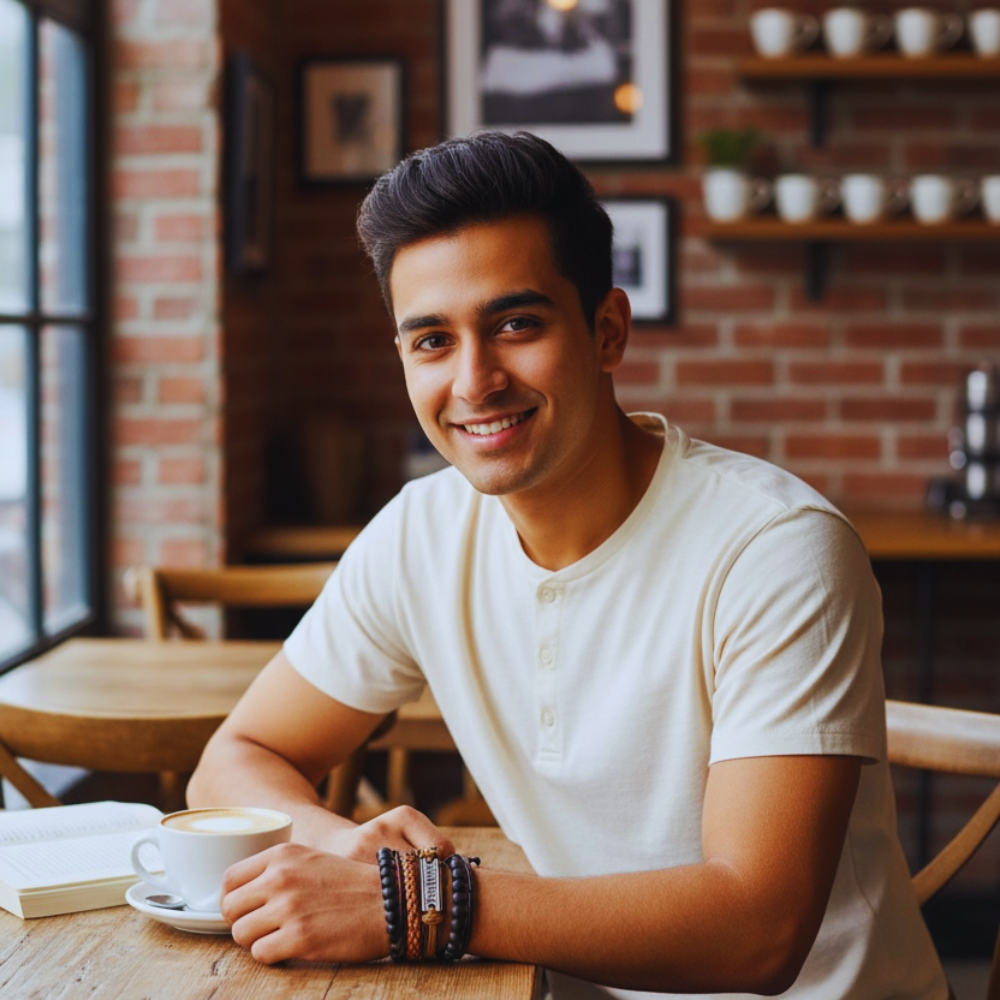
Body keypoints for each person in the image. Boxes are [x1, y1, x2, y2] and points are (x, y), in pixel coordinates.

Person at [188, 130, 948, 999]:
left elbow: (759, 929)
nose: (475, 381)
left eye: (516, 325)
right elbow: (239, 755)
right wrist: (345, 850)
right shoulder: (419, 534)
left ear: (607, 331)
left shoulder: (775, 549)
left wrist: (418, 905)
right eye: (432, 340)